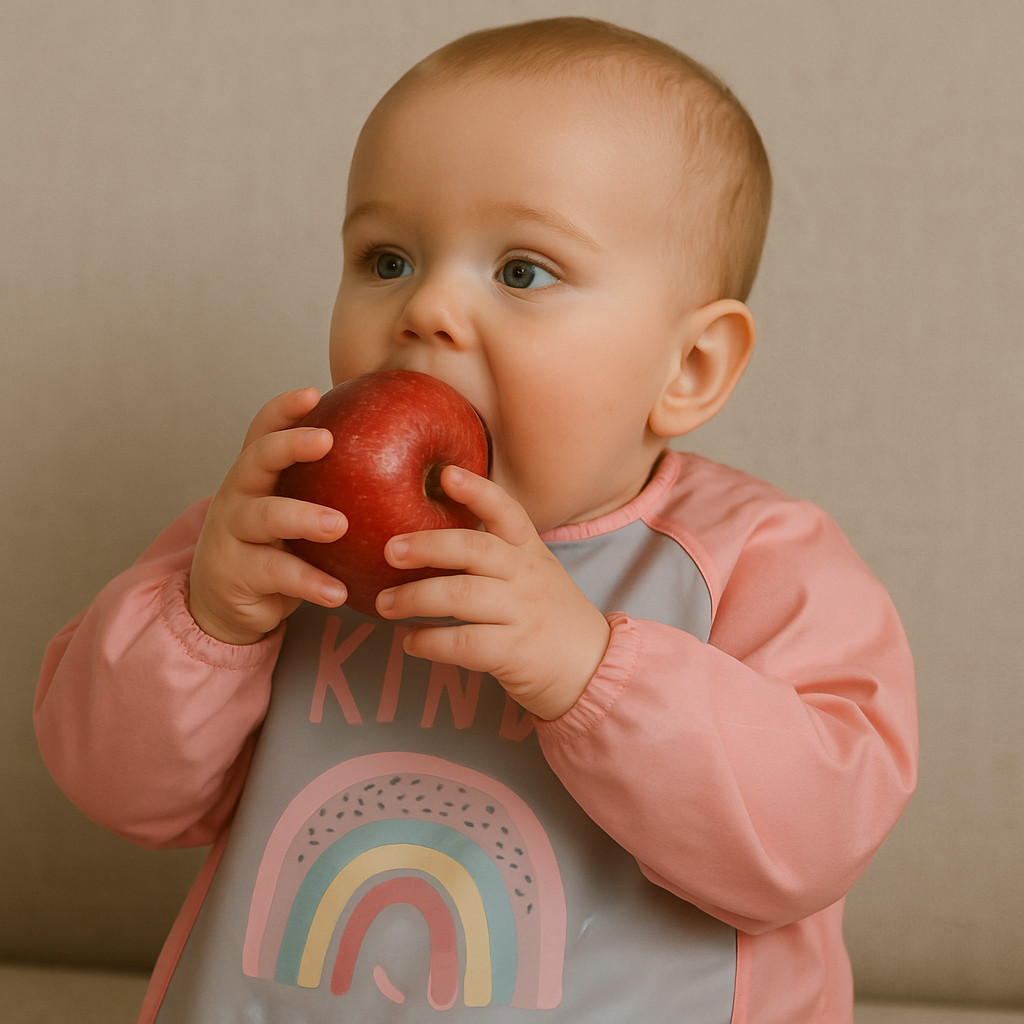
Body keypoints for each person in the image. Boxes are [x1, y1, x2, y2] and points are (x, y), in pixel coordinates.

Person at [34, 16, 917, 1024]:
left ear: (688, 369)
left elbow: (812, 839)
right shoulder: (274, 538)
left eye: (520, 272)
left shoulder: (760, 562)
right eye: (386, 259)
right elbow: (117, 791)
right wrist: (206, 623)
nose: (426, 312)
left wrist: (592, 672)